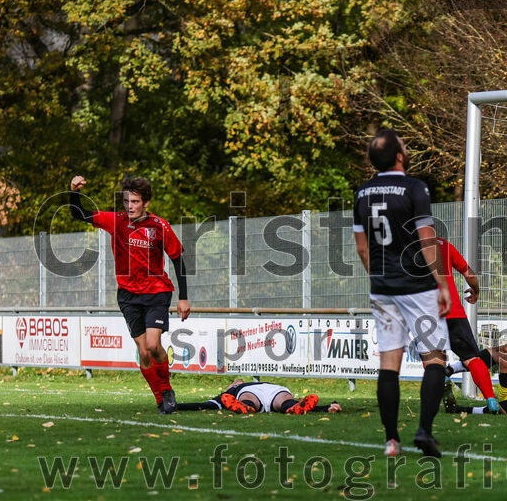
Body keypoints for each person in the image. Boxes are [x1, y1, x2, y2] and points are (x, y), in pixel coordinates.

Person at [353, 128, 451, 458]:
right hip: (418, 286)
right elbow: (426, 241)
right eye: (404, 145)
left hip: (382, 289)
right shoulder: (414, 187)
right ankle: (424, 430)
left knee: (389, 362)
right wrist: (441, 283)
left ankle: (391, 440)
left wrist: (380, 279)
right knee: (435, 357)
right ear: (399, 155)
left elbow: (363, 249)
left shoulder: (362, 192)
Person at [68, 175, 190, 414]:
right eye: (126, 201)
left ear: (146, 203)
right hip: (128, 295)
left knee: (154, 345)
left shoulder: (160, 226)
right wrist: (74, 192)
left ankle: (166, 389)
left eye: (134, 201)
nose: (129, 206)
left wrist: (183, 297)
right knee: (143, 352)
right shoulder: (116, 221)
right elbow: (79, 214)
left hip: (157, 292)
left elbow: (178, 259)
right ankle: (161, 398)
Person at [435, 237, 501, 413]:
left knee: (432, 360)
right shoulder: (444, 245)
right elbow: (469, 274)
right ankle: (491, 399)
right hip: (454, 312)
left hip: (427, 314)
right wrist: (476, 291)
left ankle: (442, 380)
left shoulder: (407, 247)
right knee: (472, 358)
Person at [176, 378, 342, 414]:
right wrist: (327, 407)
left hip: (249, 392)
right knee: (285, 402)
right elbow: (204, 405)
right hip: (276, 389)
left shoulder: (230, 392)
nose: (236, 380)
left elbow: (204, 405)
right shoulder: (231, 392)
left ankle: (245, 407)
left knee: (249, 400)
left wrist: (174, 406)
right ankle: (293, 407)